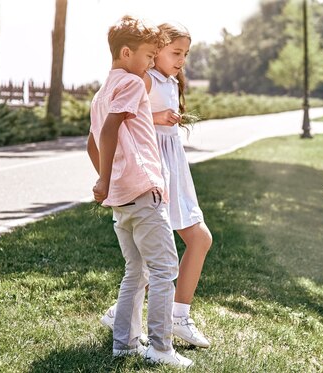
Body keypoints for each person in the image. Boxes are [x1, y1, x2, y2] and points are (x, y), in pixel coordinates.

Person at [99, 21, 213, 349]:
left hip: (173, 166)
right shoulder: (144, 79)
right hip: (154, 168)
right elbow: (123, 122)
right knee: (159, 256)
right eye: (175, 52)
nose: (181, 60)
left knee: (197, 240)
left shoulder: (171, 81)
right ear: (156, 51)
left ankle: (174, 315)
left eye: (186, 54)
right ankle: (160, 318)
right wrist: (157, 118)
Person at [86, 15, 191, 368]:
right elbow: (111, 129)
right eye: (148, 55)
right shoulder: (131, 83)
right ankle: (161, 348)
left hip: (122, 197)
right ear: (126, 52)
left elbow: (92, 142)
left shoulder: (102, 93)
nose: (150, 63)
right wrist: (104, 180)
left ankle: (125, 344)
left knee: (136, 271)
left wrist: (108, 179)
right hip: (144, 191)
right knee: (164, 268)